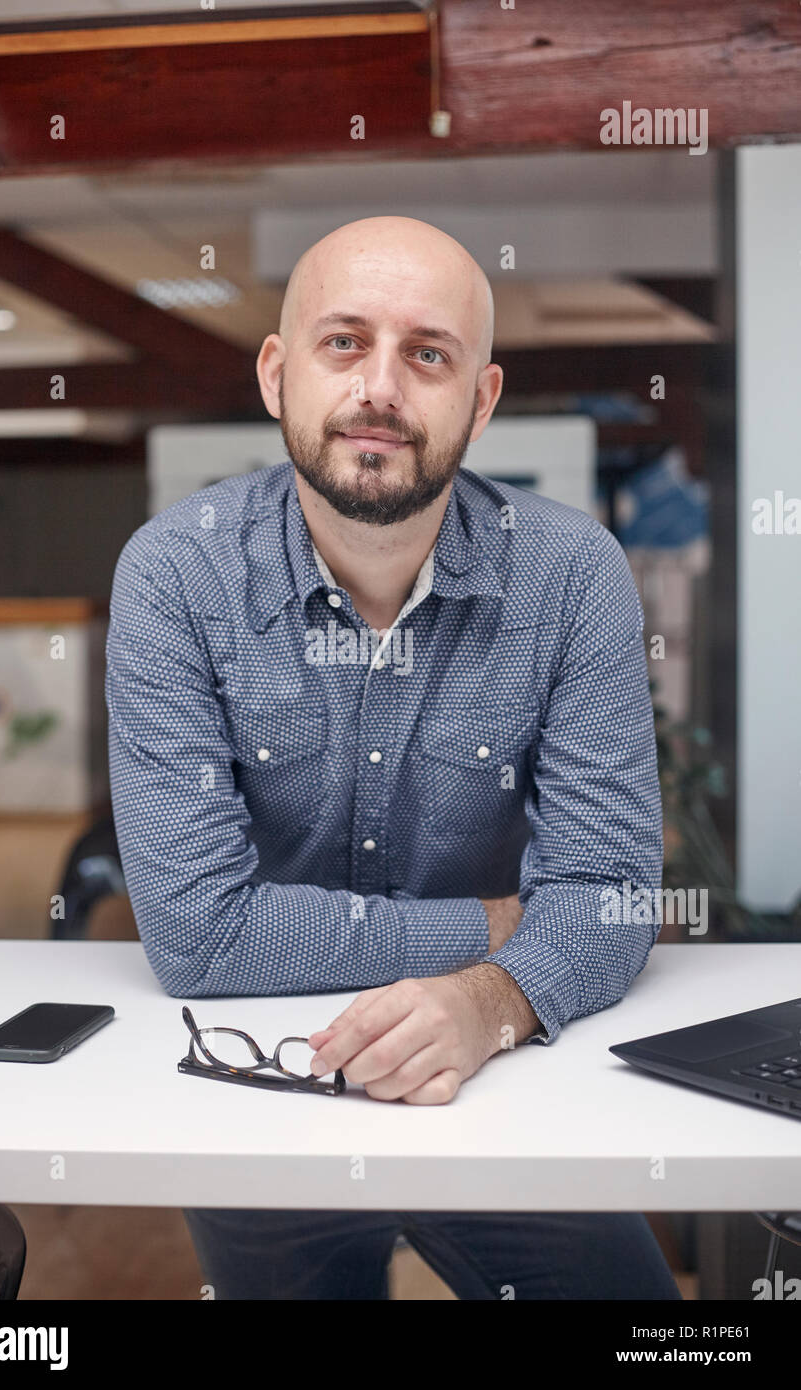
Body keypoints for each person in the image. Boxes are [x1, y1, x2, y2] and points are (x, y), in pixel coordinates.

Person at [105, 216, 680, 1301]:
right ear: (277, 374)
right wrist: (495, 928)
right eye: (341, 344)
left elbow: (606, 895)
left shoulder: (568, 576)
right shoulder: (175, 578)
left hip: (508, 1067)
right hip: (264, 1078)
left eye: (426, 354)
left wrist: (492, 1001)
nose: (379, 387)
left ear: (481, 397)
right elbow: (196, 932)